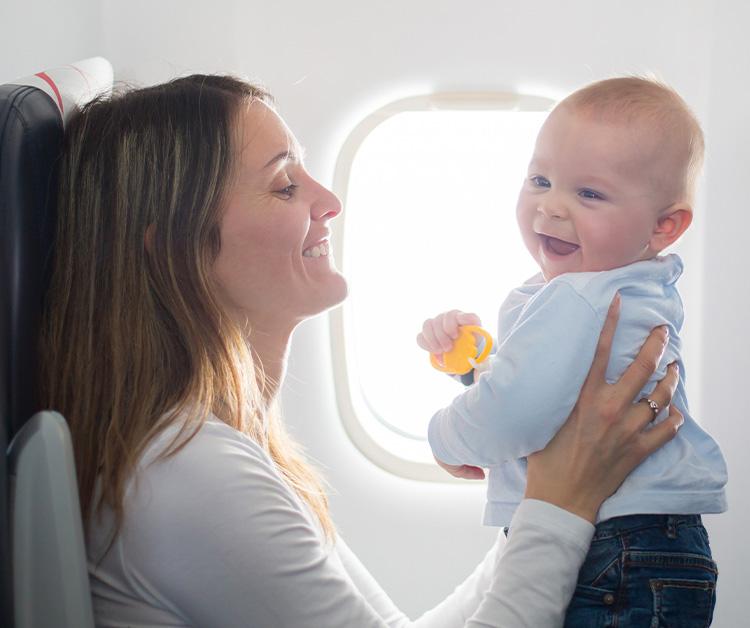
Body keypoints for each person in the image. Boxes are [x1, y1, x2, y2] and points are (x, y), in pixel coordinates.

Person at [40, 74, 683, 628]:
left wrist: (557, 479)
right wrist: (560, 500)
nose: (329, 201)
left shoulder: (234, 447)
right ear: (174, 245)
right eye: (285, 185)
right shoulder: (187, 471)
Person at [418, 77, 726, 626]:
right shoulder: (627, 285)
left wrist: (444, 438)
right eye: (540, 179)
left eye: (589, 194)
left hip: (613, 549)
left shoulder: (580, 296)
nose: (551, 207)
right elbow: (557, 393)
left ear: (664, 226)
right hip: (651, 544)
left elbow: (518, 411)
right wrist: (475, 369)